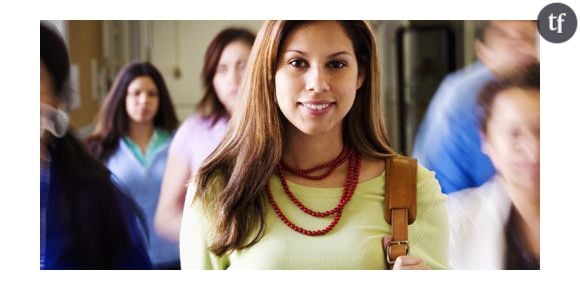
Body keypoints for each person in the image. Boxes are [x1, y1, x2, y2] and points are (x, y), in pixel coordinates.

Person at [180, 20, 448, 270]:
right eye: (297, 63)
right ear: (270, 73)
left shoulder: (412, 187)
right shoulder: (216, 189)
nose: (317, 83)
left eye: (336, 64)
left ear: (361, 74)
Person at [40, 22, 151, 269]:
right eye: (135, 94)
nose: (143, 101)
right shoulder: (101, 144)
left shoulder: (100, 196)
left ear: (57, 100)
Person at [412, 21, 538, 194]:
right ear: (483, 51)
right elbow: (433, 195)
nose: (517, 45)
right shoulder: (458, 102)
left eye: (526, 36)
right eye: (504, 36)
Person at [154, 28, 255, 241]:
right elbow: (165, 218)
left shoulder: (286, 128)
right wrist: (219, 235)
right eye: (222, 69)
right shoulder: (193, 132)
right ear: (212, 78)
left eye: (243, 66)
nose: (233, 79)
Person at [85, 62, 180, 269]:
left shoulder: (179, 143)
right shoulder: (100, 149)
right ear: (122, 97)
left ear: (160, 99)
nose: (143, 100)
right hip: (123, 259)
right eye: (135, 93)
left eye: (151, 94)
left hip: (175, 257)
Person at [448, 63, 540, 269]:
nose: (534, 150)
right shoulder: (452, 224)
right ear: (487, 141)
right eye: (513, 134)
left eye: (543, 130)